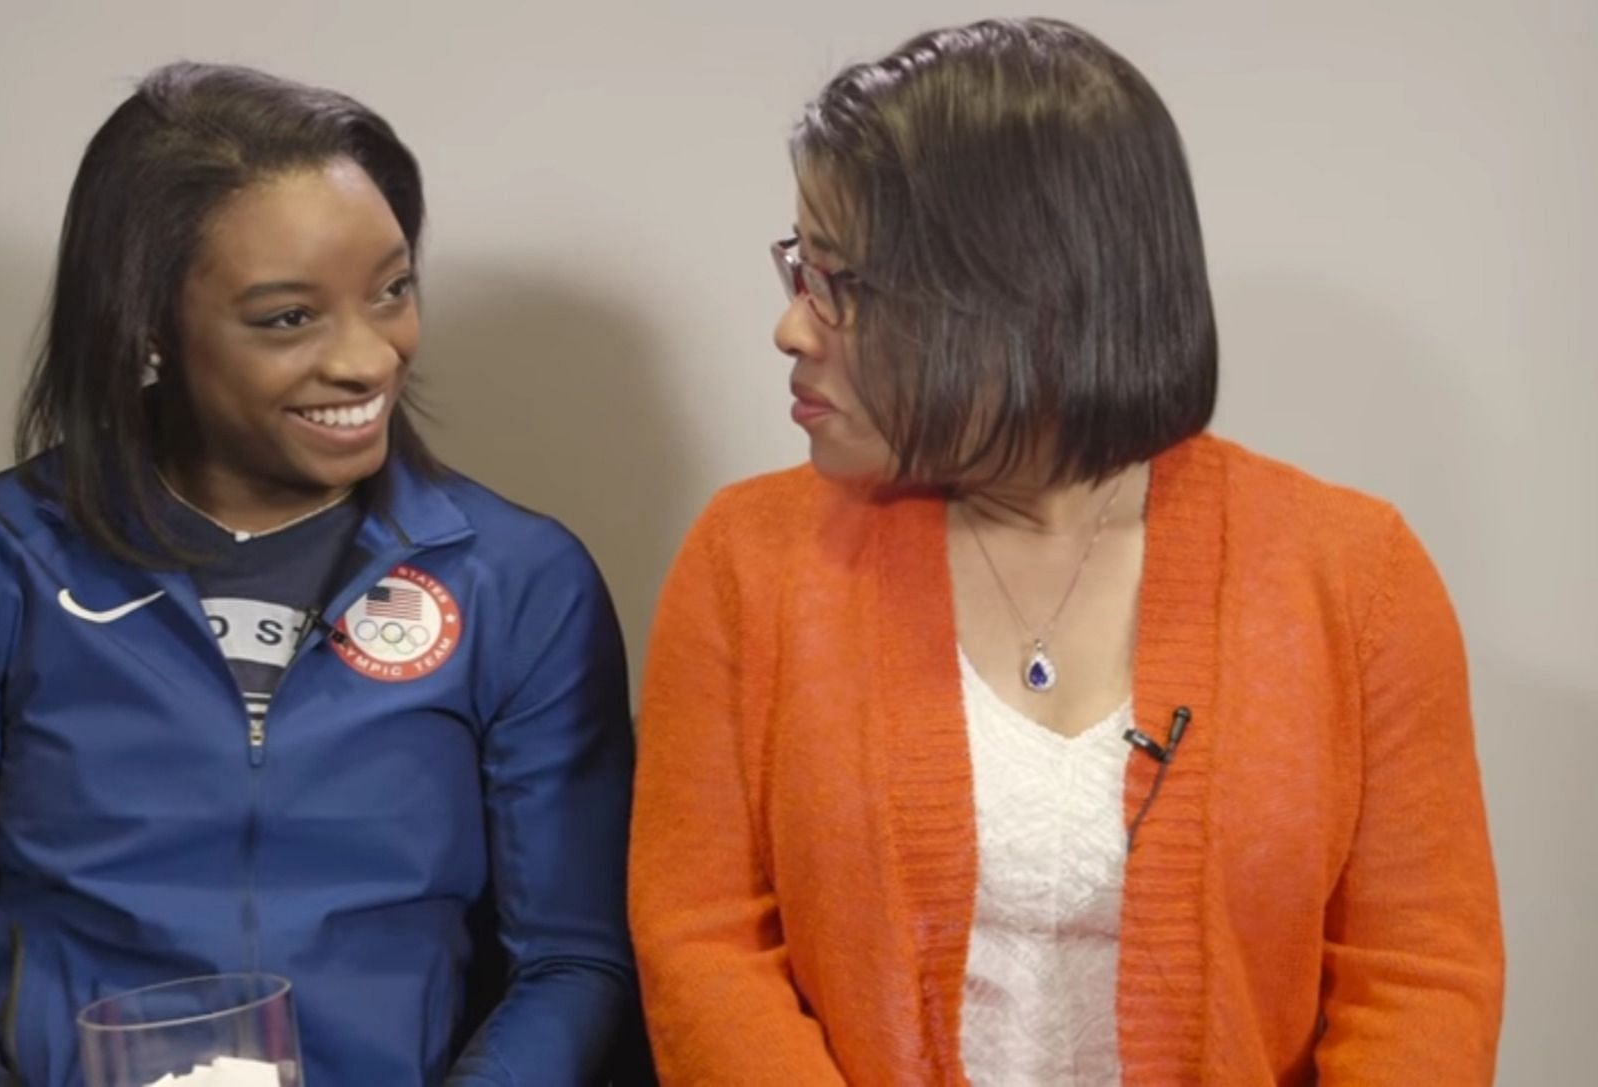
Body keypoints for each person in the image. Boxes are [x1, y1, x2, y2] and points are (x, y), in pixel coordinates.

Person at [630, 18, 1502, 1086]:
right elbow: (703, 939)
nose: (791, 327)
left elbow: (1419, 975)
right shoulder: (744, 562)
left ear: (1016, 302)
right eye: (796, 266)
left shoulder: (1356, 578)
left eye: (840, 283)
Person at [0, 62, 637, 1086]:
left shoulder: (520, 580)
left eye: (392, 289)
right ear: (147, 327)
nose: (369, 357)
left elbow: (572, 961)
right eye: (289, 317)